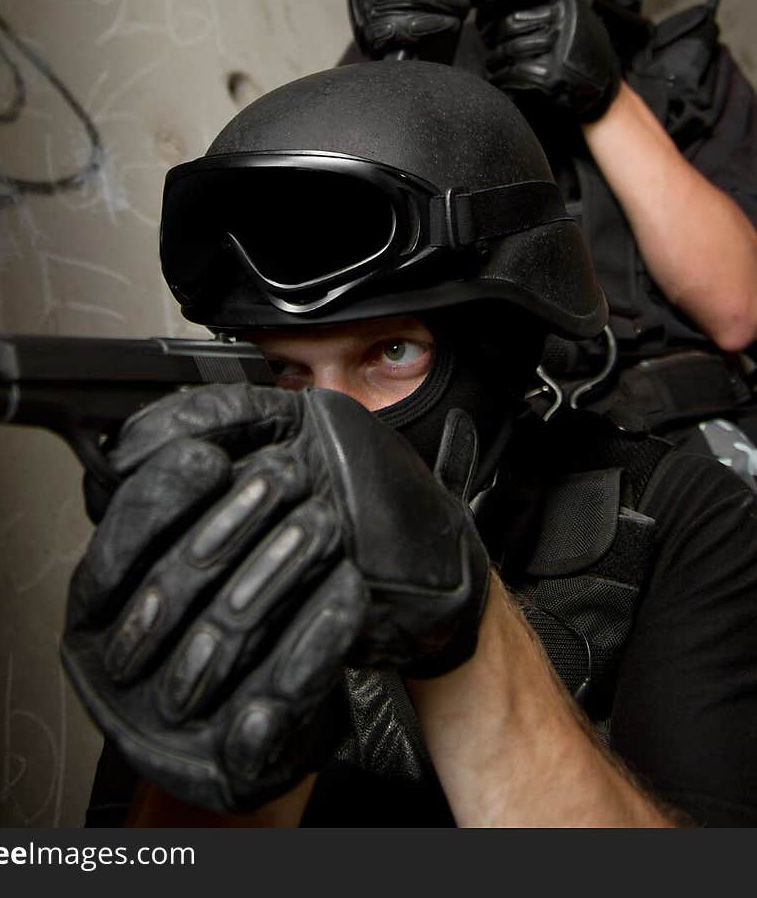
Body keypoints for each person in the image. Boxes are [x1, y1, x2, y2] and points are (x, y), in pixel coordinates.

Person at [62, 60, 757, 828]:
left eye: (393, 353)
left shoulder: (675, 515)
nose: (331, 426)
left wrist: (466, 619)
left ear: (504, 346)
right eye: (285, 371)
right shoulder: (222, 544)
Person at [345, 0, 757, 471]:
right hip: (485, 444)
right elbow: (334, 250)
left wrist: (604, 96)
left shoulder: (693, 70)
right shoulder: (446, 32)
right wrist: (392, 62)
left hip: (688, 445)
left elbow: (736, 308)